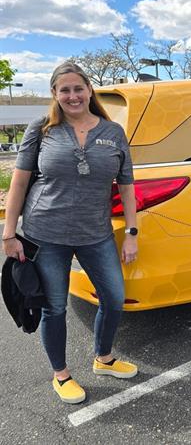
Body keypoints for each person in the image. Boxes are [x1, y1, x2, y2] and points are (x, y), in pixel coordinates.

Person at [2, 61, 139, 404]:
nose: (73, 95)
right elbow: (18, 183)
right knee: (55, 307)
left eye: (78, 88)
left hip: (96, 233)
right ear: (54, 94)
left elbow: (126, 186)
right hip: (45, 234)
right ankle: (61, 375)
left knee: (113, 298)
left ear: (89, 90)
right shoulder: (42, 129)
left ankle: (104, 358)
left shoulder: (112, 133)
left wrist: (133, 233)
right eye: (65, 90)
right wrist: (9, 233)